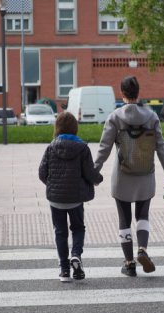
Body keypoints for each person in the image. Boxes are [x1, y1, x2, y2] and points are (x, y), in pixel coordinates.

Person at [94, 76, 164, 277]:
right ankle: (143, 249)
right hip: (146, 175)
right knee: (143, 215)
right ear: (138, 93)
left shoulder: (114, 117)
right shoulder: (151, 117)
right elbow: (161, 148)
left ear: (122, 94)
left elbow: (104, 149)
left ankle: (129, 263)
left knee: (124, 218)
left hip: (122, 176)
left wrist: (93, 171)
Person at [39, 112, 103, 282]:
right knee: (78, 228)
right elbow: (90, 173)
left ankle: (65, 270)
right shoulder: (82, 148)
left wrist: (53, 185)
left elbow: (42, 173)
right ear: (75, 127)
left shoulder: (51, 147)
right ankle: (76, 255)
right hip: (75, 199)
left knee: (60, 232)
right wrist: (98, 179)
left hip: (56, 200)